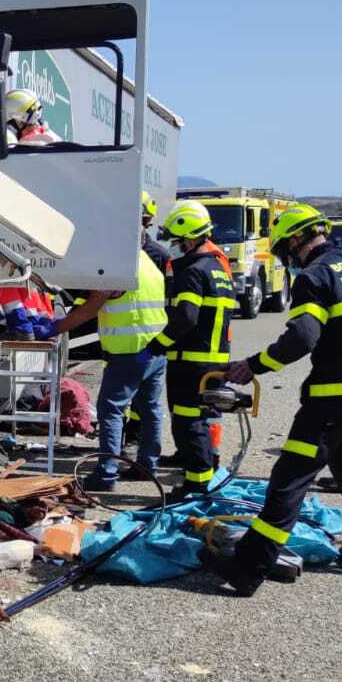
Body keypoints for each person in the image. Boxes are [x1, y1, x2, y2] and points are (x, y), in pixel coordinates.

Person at [207, 204, 342, 594]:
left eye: (285, 246)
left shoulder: (315, 277)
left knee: (289, 480)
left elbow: (302, 338)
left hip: (332, 402)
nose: (286, 255)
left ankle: (247, 568)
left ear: (297, 240)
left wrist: (253, 365)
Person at [55, 245, 168, 491]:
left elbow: (89, 309)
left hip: (128, 352)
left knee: (111, 411)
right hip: (155, 349)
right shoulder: (148, 262)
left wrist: (55, 328)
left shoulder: (118, 266)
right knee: (150, 410)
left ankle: (106, 475)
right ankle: (147, 466)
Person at [147, 200, 236, 502]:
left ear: (188, 236)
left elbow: (186, 316)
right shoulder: (218, 269)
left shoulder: (193, 271)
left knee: (189, 422)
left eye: (175, 239)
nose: (173, 246)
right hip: (215, 360)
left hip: (192, 362)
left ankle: (196, 486)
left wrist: (159, 343)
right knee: (203, 419)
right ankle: (203, 474)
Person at [124, 192, 173, 451]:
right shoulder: (118, 252)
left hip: (149, 341)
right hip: (124, 338)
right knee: (134, 398)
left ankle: (134, 439)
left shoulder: (159, 255)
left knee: (141, 402)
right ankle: (134, 444)